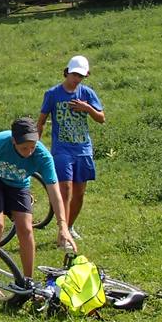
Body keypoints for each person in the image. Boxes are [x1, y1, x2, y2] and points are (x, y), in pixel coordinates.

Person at [0, 117, 76, 282]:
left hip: (18, 184)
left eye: (32, 147)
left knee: (26, 228)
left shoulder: (43, 157)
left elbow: (55, 193)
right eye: (24, 148)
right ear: (13, 141)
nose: (29, 152)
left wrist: (63, 226)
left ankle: (27, 282)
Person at [36, 55, 105, 240]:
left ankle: (70, 226)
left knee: (79, 193)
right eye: (74, 75)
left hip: (83, 149)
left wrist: (87, 108)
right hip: (62, 149)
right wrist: (35, 144)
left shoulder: (87, 93)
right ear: (66, 72)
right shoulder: (52, 94)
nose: (76, 79)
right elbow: (41, 121)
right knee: (65, 189)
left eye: (80, 76)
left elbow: (101, 118)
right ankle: (62, 230)